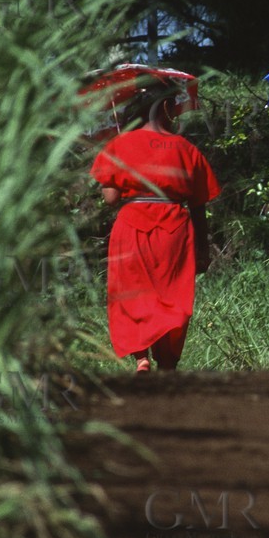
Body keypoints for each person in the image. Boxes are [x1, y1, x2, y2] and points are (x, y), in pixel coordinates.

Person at [90, 83, 220, 372]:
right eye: (173, 106)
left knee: (132, 292)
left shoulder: (118, 145)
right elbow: (199, 205)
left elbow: (111, 199)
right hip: (175, 229)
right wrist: (203, 249)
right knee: (172, 296)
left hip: (131, 226)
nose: (175, 113)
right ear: (163, 108)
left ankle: (141, 358)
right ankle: (168, 362)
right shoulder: (186, 148)